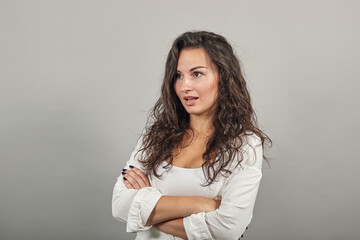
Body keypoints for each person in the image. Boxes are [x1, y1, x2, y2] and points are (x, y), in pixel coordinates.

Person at [112, 31, 271, 240]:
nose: (185, 86)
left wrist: (147, 208)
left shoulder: (244, 145)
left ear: (223, 78)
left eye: (197, 74)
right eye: (178, 76)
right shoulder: (156, 136)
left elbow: (226, 229)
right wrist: (199, 204)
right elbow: (120, 205)